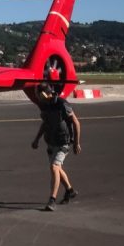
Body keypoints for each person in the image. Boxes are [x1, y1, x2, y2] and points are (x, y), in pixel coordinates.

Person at [31, 82, 81, 211]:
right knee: (57, 169)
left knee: (54, 167)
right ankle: (70, 190)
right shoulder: (44, 106)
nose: (36, 96)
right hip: (51, 142)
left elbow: (76, 122)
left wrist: (76, 143)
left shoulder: (61, 103)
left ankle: (52, 200)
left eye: (37, 94)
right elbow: (45, 123)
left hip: (63, 142)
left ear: (43, 94)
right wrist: (37, 139)